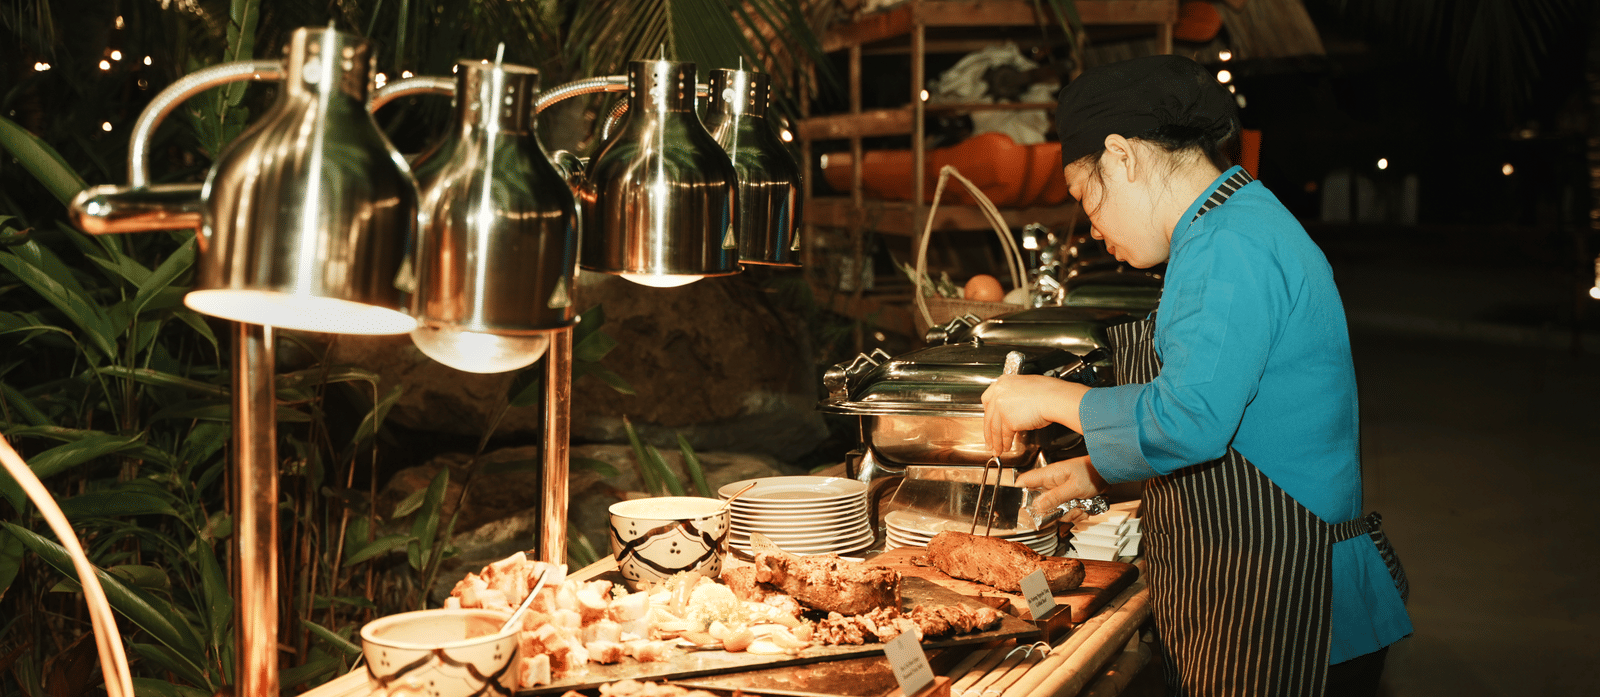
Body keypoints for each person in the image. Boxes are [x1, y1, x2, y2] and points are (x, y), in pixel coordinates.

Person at [981, 55, 1412, 696]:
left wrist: (1047, 396)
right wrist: (1096, 469)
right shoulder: (1236, 221)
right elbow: (1243, 424)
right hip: (1266, 587)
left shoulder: (1225, 246)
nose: (1094, 227)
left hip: (1286, 604)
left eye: (1084, 197)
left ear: (1123, 157)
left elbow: (1190, 421)